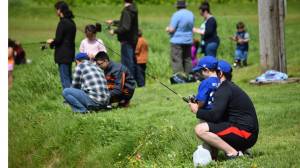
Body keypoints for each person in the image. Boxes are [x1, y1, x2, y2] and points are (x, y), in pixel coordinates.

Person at [189, 60, 259, 159]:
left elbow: (214, 116)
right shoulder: (229, 87)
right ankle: (219, 155)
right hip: (247, 133)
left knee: (200, 129)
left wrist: (197, 110)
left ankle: (234, 153)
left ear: (220, 73)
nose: (212, 76)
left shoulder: (224, 89)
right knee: (209, 125)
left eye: (214, 72)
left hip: (245, 135)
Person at [47, 1, 76, 89]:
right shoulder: (72, 22)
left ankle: (68, 99)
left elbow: (58, 39)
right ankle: (73, 96)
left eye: (56, 9)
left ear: (60, 10)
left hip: (63, 55)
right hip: (70, 53)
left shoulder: (62, 23)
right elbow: (65, 38)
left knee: (65, 78)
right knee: (69, 77)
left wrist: (51, 42)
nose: (56, 11)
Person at [106, 0, 139, 79]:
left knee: (127, 62)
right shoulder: (133, 9)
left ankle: (129, 81)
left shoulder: (127, 11)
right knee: (131, 61)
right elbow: (125, 22)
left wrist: (114, 31)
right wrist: (113, 22)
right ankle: (133, 80)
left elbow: (125, 27)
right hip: (132, 39)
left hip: (126, 40)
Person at [166, 0, 194, 74]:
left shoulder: (176, 14)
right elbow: (191, 27)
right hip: (188, 40)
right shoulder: (191, 14)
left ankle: (179, 77)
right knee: (187, 59)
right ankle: (189, 76)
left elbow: (172, 29)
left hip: (177, 41)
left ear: (177, 6)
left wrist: (167, 29)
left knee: (177, 59)